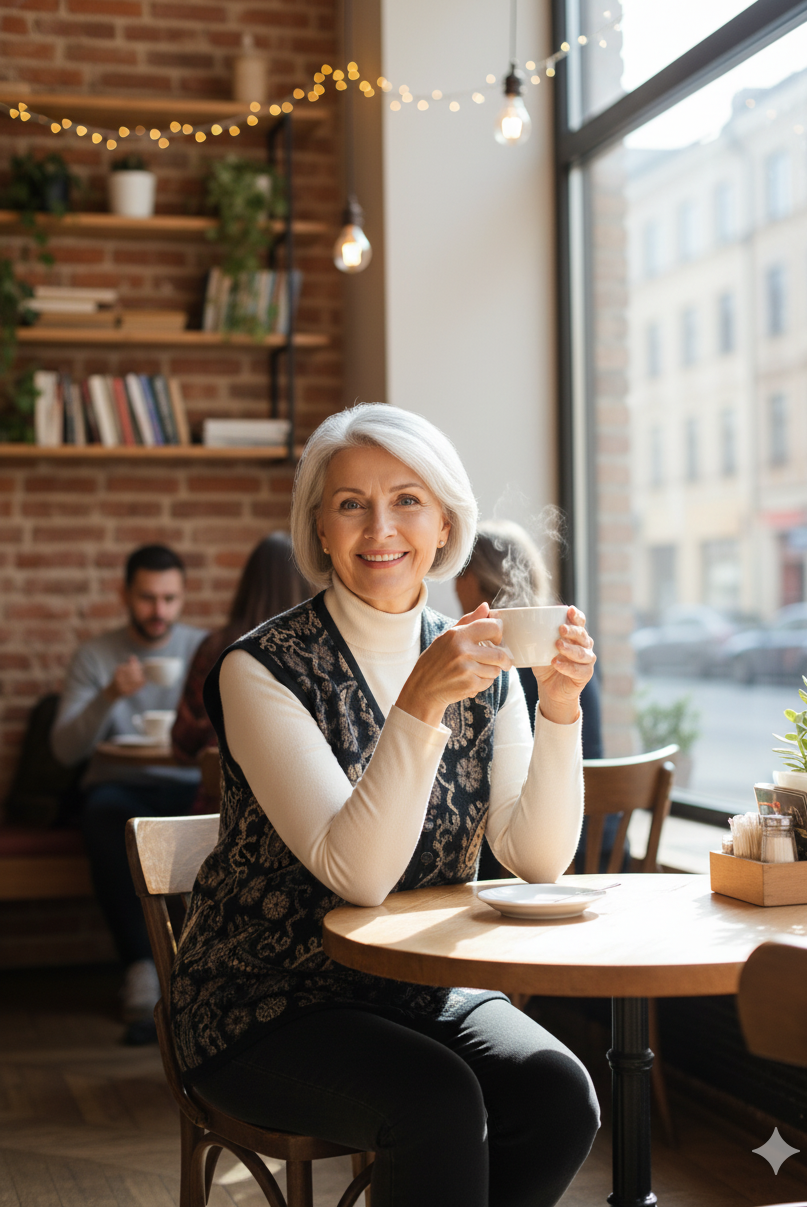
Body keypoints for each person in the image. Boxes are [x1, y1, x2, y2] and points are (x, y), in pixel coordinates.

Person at [170, 404, 600, 1207]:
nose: (380, 527)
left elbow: (537, 859)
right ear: (320, 532)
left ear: (444, 525)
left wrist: (560, 710)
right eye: (350, 504)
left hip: (418, 984)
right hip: (264, 997)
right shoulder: (259, 671)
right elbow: (358, 874)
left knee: (557, 1095)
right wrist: (420, 703)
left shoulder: (488, 660)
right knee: (435, 1103)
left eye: (407, 499)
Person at [51, 544, 207, 1042]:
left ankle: (202, 972)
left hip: (190, 789)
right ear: (125, 594)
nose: (158, 611)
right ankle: (142, 966)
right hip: (122, 791)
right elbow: (63, 751)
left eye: (169, 599)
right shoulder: (96, 656)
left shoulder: (203, 650)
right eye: (146, 598)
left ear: (183, 598)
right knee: (106, 815)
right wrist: (109, 696)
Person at [456, 520, 620, 876]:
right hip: (604, 843)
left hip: (543, 852)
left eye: (459, 572)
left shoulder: (490, 665)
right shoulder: (570, 656)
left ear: (470, 579)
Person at [171, 532, 312, 763]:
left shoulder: (216, 648)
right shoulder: (320, 652)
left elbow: (183, 745)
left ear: (248, 583)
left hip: (221, 793)